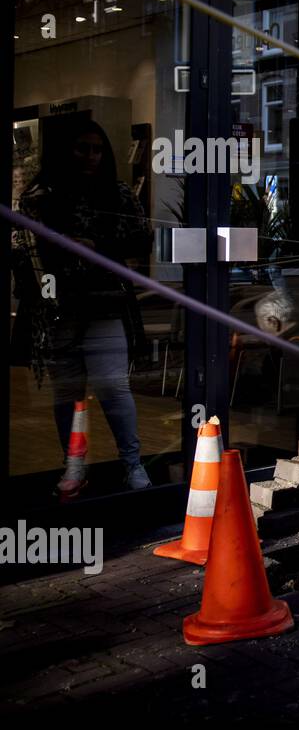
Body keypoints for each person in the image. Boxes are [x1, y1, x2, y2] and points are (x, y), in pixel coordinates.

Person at [11, 117, 152, 494]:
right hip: (58, 307)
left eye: (97, 148)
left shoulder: (118, 194)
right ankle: (74, 464)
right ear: (65, 151)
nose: (91, 156)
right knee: (67, 393)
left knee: (112, 386)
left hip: (104, 304)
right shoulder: (40, 196)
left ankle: (132, 463)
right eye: (82, 148)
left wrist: (93, 247)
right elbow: (23, 251)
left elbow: (140, 245)